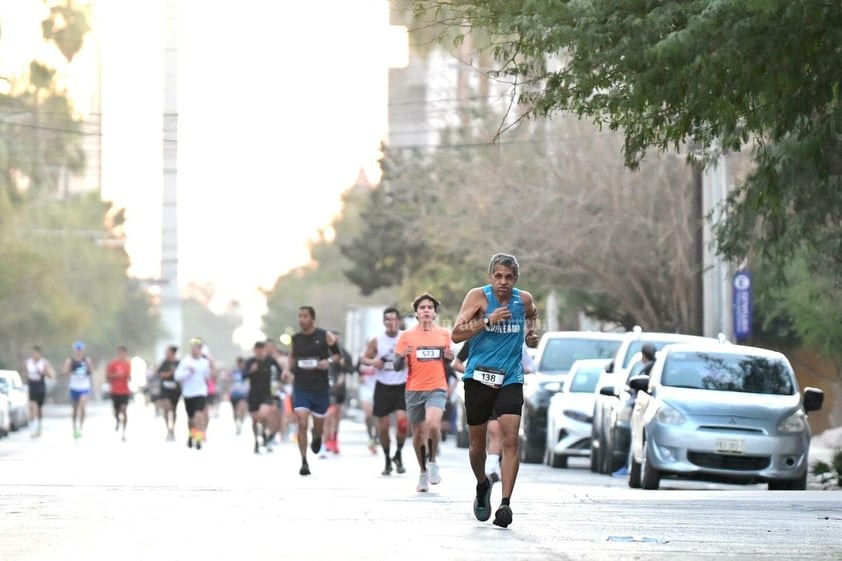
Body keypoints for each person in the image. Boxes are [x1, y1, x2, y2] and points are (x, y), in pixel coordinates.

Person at [452, 253, 539, 528]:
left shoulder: (522, 300)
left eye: (509, 277)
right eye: (498, 276)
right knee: (477, 447)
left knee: (511, 440)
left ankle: (505, 505)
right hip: (478, 378)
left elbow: (533, 313)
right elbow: (455, 333)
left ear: (516, 280)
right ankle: (482, 483)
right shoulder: (478, 297)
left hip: (510, 378)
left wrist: (530, 334)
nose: (503, 282)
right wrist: (487, 321)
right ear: (491, 277)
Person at [394, 293, 455, 493]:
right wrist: (402, 356)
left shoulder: (444, 334)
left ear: (435, 313)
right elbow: (396, 366)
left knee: (433, 425)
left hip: (437, 387)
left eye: (430, 307)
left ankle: (433, 460)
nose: (426, 310)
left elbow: (447, 361)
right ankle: (422, 471)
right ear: (417, 313)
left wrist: (449, 357)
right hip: (413, 390)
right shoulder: (406, 336)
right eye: (422, 308)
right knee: (418, 433)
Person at [453, 341, 537, 484]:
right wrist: (474, 373)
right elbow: (457, 363)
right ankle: (492, 468)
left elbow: (530, 366)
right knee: (493, 430)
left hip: (507, 388)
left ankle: (499, 465)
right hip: (482, 390)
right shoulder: (477, 336)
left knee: (508, 437)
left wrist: (518, 370)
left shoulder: (512, 338)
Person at [281, 306, 342, 476]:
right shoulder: (296, 338)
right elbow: (292, 356)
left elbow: (338, 354)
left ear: (312, 318)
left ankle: (317, 436)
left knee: (318, 426)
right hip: (301, 386)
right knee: (301, 420)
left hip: (320, 388)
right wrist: (287, 370)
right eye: (299, 316)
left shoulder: (325, 335)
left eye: (305, 316)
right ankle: (304, 461)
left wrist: (328, 361)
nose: (301, 319)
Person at [360, 307, 409, 476]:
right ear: (384, 322)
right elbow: (364, 358)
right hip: (383, 386)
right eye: (388, 319)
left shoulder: (406, 337)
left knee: (403, 424)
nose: (391, 323)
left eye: (394, 319)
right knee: (384, 426)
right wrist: (374, 362)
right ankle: (387, 459)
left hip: (401, 385)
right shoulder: (376, 340)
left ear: (399, 321)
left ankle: (399, 454)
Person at [612, 343, 657, 477]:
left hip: (642, 408)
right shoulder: (653, 367)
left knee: (632, 438)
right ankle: (627, 466)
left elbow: (637, 389)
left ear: (644, 355)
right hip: (643, 408)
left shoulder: (649, 369)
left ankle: (627, 466)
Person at [243, 341, 283, 454]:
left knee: (264, 414)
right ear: (254, 351)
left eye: (261, 350)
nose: (259, 353)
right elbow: (243, 375)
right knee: (255, 419)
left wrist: (280, 381)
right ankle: (257, 440)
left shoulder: (270, 360)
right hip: (253, 394)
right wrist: (251, 370)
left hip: (266, 393)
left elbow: (280, 372)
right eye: (257, 351)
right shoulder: (250, 362)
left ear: (264, 350)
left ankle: (265, 434)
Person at [174, 337, 213, 450]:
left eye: (197, 348)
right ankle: (191, 436)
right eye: (193, 348)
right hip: (188, 393)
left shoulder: (204, 363)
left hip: (200, 392)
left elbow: (207, 377)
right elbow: (177, 377)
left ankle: (199, 438)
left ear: (200, 349)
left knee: (198, 415)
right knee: (191, 418)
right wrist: (187, 372)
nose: (194, 350)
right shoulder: (185, 361)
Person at [323, 330, 354, 454]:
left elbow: (351, 369)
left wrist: (343, 366)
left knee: (336, 414)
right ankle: (326, 441)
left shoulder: (344, 353)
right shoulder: (324, 352)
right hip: (326, 387)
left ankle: (334, 438)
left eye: (336, 338)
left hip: (340, 388)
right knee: (328, 415)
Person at [62, 341, 95, 439]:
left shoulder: (87, 360)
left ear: (82, 350)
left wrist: (88, 370)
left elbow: (91, 371)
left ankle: (81, 428)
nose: (78, 352)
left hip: (84, 387)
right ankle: (74, 428)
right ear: (74, 350)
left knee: (82, 406)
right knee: (75, 409)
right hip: (74, 387)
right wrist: (70, 368)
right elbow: (64, 372)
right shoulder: (70, 361)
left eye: (80, 350)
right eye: (77, 349)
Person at [25, 346, 53, 438]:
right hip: (32, 386)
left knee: (39, 409)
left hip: (40, 386)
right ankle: (33, 429)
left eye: (37, 353)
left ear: (40, 354)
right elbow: (24, 374)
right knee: (32, 407)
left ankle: (39, 425)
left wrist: (42, 372)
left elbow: (50, 376)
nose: (35, 355)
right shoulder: (28, 362)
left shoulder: (44, 363)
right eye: (33, 353)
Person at [106, 345, 133, 442]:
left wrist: (129, 376)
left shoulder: (128, 364)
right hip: (115, 391)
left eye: (123, 352)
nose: (121, 354)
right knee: (116, 411)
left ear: (126, 353)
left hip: (125, 391)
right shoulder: (112, 364)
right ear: (118, 353)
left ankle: (124, 433)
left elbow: (131, 377)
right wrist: (116, 375)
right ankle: (117, 419)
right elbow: (107, 376)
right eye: (120, 352)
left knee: (124, 410)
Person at [156, 345, 181, 441]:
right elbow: (159, 373)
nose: (166, 353)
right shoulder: (164, 363)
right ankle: (168, 428)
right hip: (165, 389)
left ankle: (173, 429)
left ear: (172, 352)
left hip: (175, 389)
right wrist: (170, 373)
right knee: (167, 407)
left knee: (174, 409)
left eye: (167, 351)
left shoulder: (179, 363)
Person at [356, 359, 378, 454]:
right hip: (365, 389)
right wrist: (359, 377)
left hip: (378, 389)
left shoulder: (381, 357)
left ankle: (375, 438)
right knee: (368, 415)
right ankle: (370, 436)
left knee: (377, 416)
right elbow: (356, 370)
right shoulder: (361, 360)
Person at [227, 357, 249, 435]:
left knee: (242, 408)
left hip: (244, 393)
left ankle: (241, 423)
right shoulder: (233, 371)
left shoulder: (246, 371)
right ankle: (237, 423)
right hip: (234, 394)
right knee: (235, 411)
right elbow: (227, 379)